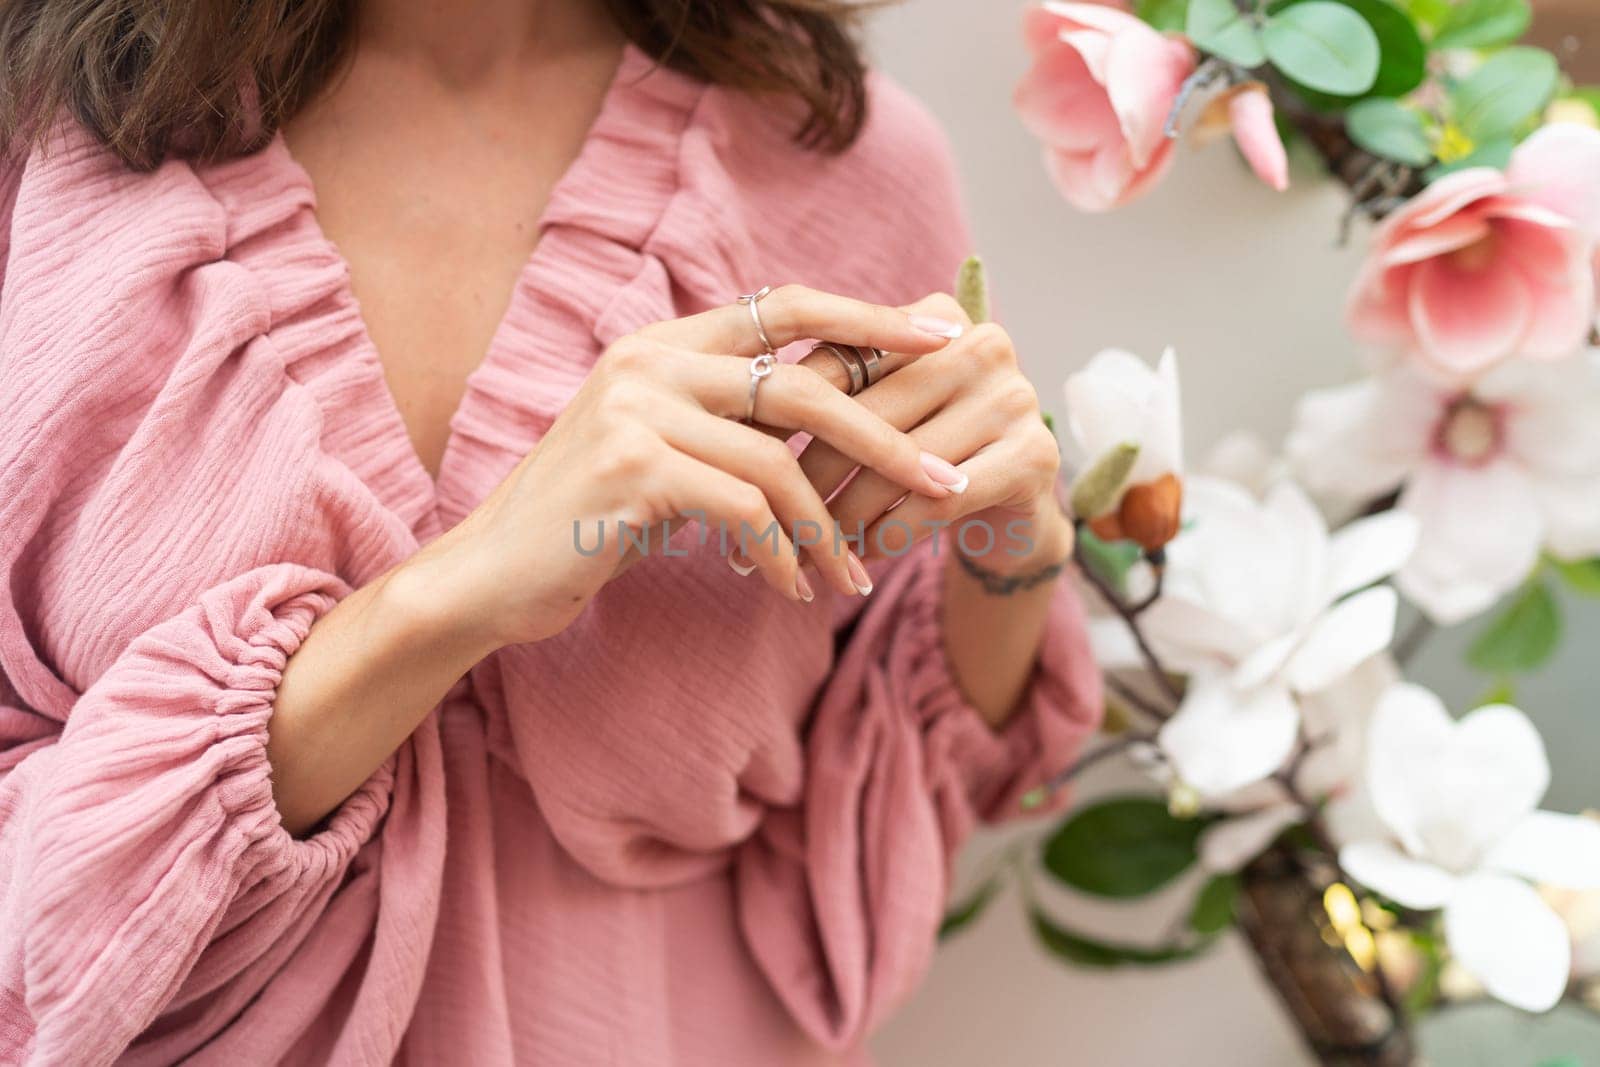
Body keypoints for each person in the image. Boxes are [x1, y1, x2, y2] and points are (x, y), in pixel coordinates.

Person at [0, 0, 1100, 1062]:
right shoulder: (39, 150)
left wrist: (1014, 544)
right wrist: (457, 591)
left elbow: (894, 788)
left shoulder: (838, 149)